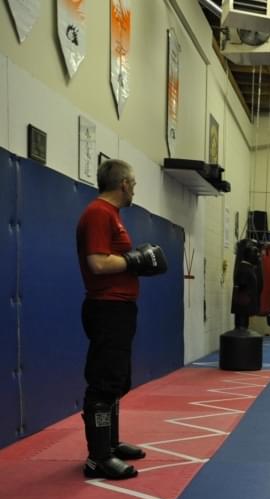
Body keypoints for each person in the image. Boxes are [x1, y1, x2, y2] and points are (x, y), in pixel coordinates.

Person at [76, 159, 168, 480]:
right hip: (106, 307)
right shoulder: (98, 214)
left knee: (116, 380)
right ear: (124, 184)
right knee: (103, 382)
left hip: (120, 307)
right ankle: (97, 457)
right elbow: (98, 263)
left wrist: (132, 263)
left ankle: (110, 444)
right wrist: (135, 260)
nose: (134, 190)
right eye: (134, 184)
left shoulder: (112, 215)